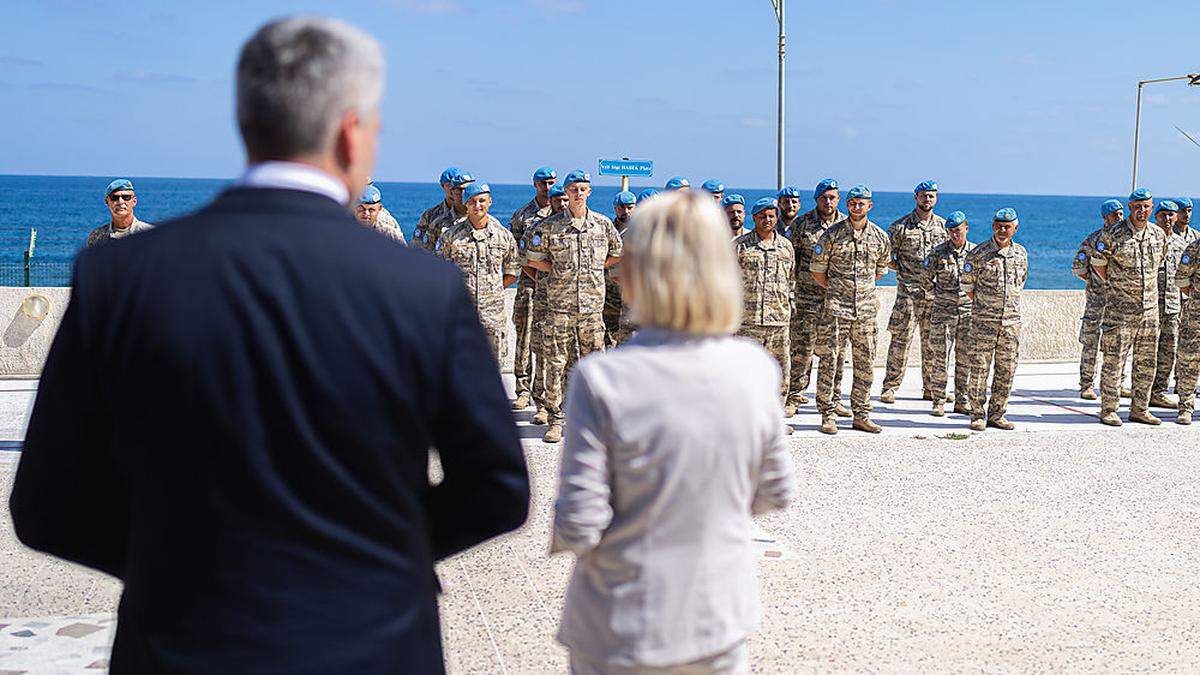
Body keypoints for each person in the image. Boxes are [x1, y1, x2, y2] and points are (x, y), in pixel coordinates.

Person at [11, 16, 530, 674]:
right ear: (351, 131)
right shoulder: (421, 286)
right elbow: (499, 487)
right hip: (373, 644)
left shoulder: (120, 275)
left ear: (244, 118)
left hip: (180, 644)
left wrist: (173, 563)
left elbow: (45, 504)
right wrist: (374, 556)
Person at [551, 190, 795, 674]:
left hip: (620, 621)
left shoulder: (602, 379)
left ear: (638, 272)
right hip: (718, 618)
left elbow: (580, 522)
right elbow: (775, 492)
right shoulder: (755, 369)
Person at [523, 170, 622, 443]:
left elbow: (615, 254)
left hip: (591, 308)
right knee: (556, 363)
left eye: (583, 189)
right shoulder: (548, 227)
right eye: (573, 189)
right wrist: (560, 270)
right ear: (565, 192)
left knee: (593, 363)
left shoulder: (602, 225)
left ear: (589, 192)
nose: (578, 193)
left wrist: (590, 268)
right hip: (559, 307)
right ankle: (557, 420)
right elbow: (532, 258)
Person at [810, 184, 891, 435]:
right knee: (830, 362)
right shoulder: (832, 236)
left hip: (865, 312)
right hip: (836, 310)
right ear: (847, 206)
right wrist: (839, 292)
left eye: (862, 203)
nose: (857, 207)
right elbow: (817, 272)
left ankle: (862, 414)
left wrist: (860, 293)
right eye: (853, 203)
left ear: (870, 206)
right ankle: (828, 414)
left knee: (865, 364)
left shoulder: (880, 237)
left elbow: (879, 271)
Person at [1091, 188, 1168, 426]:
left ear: (1151, 207)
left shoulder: (1158, 235)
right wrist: (1119, 287)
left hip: (1149, 312)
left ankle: (1140, 409)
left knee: (1146, 362)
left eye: (1146, 206)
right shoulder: (1113, 234)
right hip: (1120, 311)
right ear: (1130, 207)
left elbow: (1161, 263)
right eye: (1137, 206)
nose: (1141, 211)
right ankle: (1109, 409)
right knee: (1114, 361)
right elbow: (1098, 265)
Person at [785, 178, 848, 416]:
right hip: (808, 298)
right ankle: (794, 396)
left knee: (836, 352)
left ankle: (834, 397)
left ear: (838, 199)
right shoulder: (802, 225)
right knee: (802, 348)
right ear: (816, 199)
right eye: (824, 198)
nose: (828, 202)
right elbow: (792, 260)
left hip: (838, 300)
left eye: (832, 197)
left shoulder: (846, 224)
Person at [961, 208, 1028, 431]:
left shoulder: (1021, 254)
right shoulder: (978, 254)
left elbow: (1021, 283)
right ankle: (977, 414)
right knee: (979, 369)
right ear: (993, 226)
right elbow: (968, 287)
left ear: (1015, 229)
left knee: (1006, 370)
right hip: (984, 323)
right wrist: (987, 307)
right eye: (999, 225)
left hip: (1010, 324)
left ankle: (997, 414)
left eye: (1007, 226)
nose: (1002, 229)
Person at [880, 180, 947, 404]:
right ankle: (890, 387)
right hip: (907, 294)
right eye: (923, 195)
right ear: (916, 197)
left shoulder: (943, 227)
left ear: (936, 198)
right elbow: (885, 255)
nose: (927, 200)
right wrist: (902, 270)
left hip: (934, 295)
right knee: (900, 340)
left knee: (933, 343)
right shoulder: (901, 227)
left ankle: (931, 388)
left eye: (931, 196)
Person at [438, 182, 521, 360]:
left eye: (482, 201)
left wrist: (493, 289)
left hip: (493, 316)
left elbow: (512, 270)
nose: (478, 206)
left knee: (493, 370)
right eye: (473, 202)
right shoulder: (451, 236)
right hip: (460, 314)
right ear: (466, 205)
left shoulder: (503, 236)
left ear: (490, 202)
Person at [734, 198, 794, 429]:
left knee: (779, 373)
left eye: (771, 216)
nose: (767, 220)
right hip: (747, 322)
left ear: (776, 218)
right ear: (754, 218)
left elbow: (791, 279)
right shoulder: (740, 246)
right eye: (762, 216)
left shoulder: (786, 247)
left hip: (779, 321)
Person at [509, 166, 556, 410]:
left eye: (550, 182)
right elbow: (515, 251)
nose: (547, 188)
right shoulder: (522, 216)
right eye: (542, 183)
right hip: (529, 284)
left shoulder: (564, 210)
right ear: (535, 185)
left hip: (558, 288)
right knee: (525, 334)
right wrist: (533, 275)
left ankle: (546, 392)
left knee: (550, 340)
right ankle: (523, 389)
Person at [522, 184, 569, 426]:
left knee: (565, 354)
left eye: (564, 200)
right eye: (557, 200)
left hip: (568, 302)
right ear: (549, 202)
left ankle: (565, 405)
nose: (561, 204)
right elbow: (528, 261)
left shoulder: (569, 229)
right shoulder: (539, 229)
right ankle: (541, 405)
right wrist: (549, 278)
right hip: (544, 298)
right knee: (541, 351)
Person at [925, 211, 976, 416]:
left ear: (966, 228)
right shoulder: (938, 253)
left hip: (967, 312)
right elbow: (925, 280)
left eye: (959, 230)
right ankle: (938, 400)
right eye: (952, 231)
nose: (955, 234)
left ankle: (962, 400)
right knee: (940, 358)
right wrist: (939, 297)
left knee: (965, 358)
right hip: (943, 314)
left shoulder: (975, 252)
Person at [1073, 199, 1124, 400]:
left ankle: (1118, 383)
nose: (1119, 218)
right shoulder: (1094, 240)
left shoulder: (1126, 238)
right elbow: (1079, 268)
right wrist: (1099, 282)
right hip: (1098, 300)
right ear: (1105, 218)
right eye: (1115, 215)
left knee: (1120, 344)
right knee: (1091, 343)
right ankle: (1086, 385)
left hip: (1120, 301)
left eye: (1121, 214)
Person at [603, 191, 637, 348]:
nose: (626, 212)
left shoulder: (641, 231)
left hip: (631, 288)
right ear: (615, 209)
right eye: (621, 208)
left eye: (630, 207)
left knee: (628, 329)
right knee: (609, 328)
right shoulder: (607, 228)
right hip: (609, 287)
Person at [1172, 234, 1200, 424]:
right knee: (1189, 362)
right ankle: (1186, 408)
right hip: (1196, 315)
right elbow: (1182, 280)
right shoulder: (1195, 248)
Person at [415, 170, 474, 251]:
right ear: (442, 186)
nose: (453, 187)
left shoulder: (477, 216)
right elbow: (419, 244)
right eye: (450, 184)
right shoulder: (431, 215)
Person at [85, 179, 155, 247]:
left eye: (126, 197)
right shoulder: (97, 237)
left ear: (134, 201)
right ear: (107, 201)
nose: (120, 202)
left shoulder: (149, 234)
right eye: (114, 197)